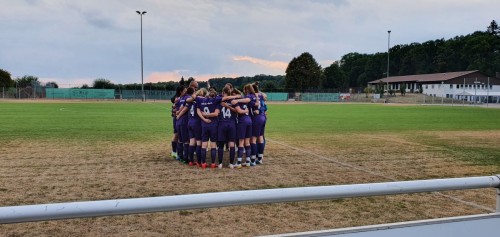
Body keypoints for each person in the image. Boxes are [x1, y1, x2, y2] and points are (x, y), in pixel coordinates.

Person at [217, 87, 242, 168]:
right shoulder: (233, 101)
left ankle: (220, 163)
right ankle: (231, 163)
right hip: (231, 124)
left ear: (223, 92)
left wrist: (226, 106)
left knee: (220, 145)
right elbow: (237, 111)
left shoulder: (220, 101)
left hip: (222, 124)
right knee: (232, 144)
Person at [231, 86, 256, 168]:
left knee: (241, 143)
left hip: (242, 122)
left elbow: (239, 111)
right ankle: (248, 161)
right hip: (249, 120)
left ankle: (239, 162)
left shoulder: (237, 101)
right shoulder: (246, 100)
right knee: (247, 142)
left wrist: (234, 102)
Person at [196, 90, 221, 169]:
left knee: (204, 144)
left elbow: (198, 110)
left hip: (204, 125)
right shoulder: (215, 101)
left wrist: (204, 118)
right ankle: (213, 163)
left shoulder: (201, 100)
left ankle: (203, 163)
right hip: (213, 124)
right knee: (213, 145)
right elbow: (216, 114)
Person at [252, 83, 267, 164]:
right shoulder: (261, 95)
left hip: (257, 118)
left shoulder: (253, 96)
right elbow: (264, 106)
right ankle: (260, 158)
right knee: (260, 137)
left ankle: (253, 160)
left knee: (253, 139)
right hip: (263, 117)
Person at [169, 86, 184, 159]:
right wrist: (176, 112)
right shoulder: (177, 99)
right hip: (177, 119)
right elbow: (174, 111)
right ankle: (174, 152)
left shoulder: (181, 98)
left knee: (180, 136)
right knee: (176, 135)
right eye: (184, 90)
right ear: (181, 91)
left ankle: (178, 151)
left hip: (180, 119)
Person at [175, 86, 189, 163]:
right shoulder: (187, 97)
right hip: (184, 121)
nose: (186, 90)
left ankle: (180, 156)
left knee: (180, 139)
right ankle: (185, 158)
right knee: (186, 140)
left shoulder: (179, 99)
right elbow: (184, 109)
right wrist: (180, 111)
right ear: (181, 91)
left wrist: (178, 112)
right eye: (185, 90)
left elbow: (176, 111)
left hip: (179, 121)